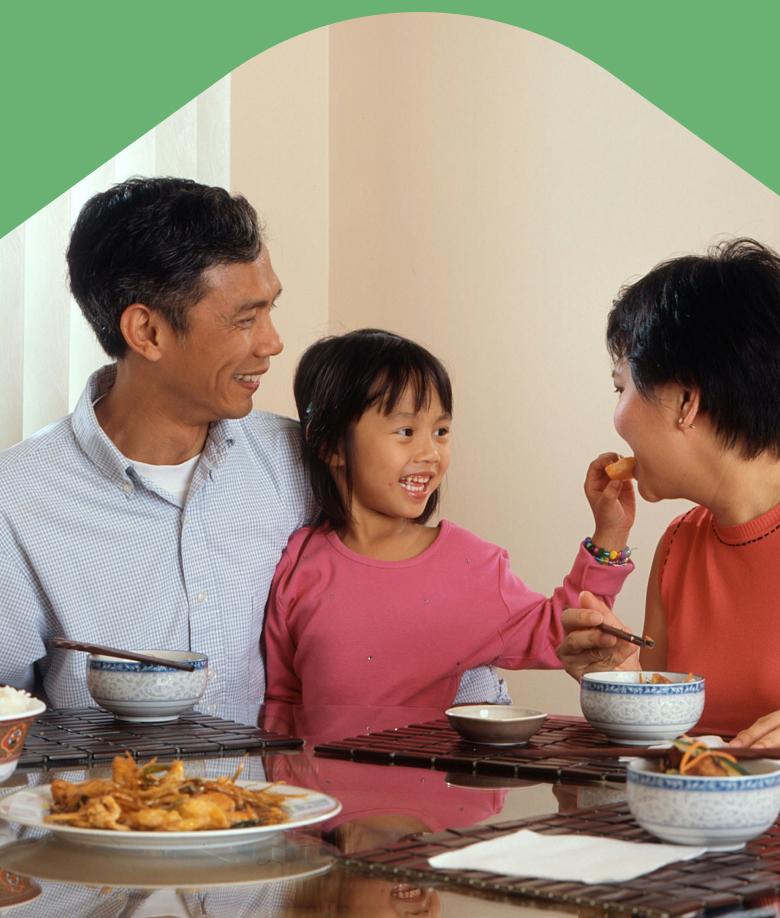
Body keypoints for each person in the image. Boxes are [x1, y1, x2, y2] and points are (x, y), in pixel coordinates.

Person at [0, 176, 508, 719]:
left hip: (301, 801)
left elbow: (420, 599)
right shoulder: (18, 504)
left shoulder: (304, 460)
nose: (273, 343)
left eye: (270, 310)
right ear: (146, 332)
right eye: (245, 319)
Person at [263, 329, 635, 707]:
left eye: (441, 431)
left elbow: (562, 630)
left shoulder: (470, 563)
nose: (430, 452)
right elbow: (282, 701)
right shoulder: (299, 562)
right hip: (315, 768)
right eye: (406, 431)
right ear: (328, 444)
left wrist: (610, 533)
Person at [555, 238, 780, 747]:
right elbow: (670, 747)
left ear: (685, 399)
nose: (616, 416)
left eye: (621, 387)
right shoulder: (678, 545)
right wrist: (625, 676)